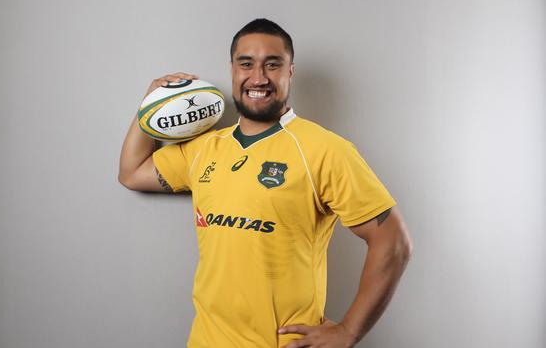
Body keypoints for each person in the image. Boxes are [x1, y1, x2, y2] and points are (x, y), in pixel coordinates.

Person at [119, 18, 413, 348]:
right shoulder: (205, 148)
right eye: (247, 64)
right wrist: (151, 104)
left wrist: (349, 331)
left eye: (272, 65)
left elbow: (393, 242)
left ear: (290, 72)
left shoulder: (325, 150)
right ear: (232, 70)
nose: (258, 77)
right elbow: (132, 172)